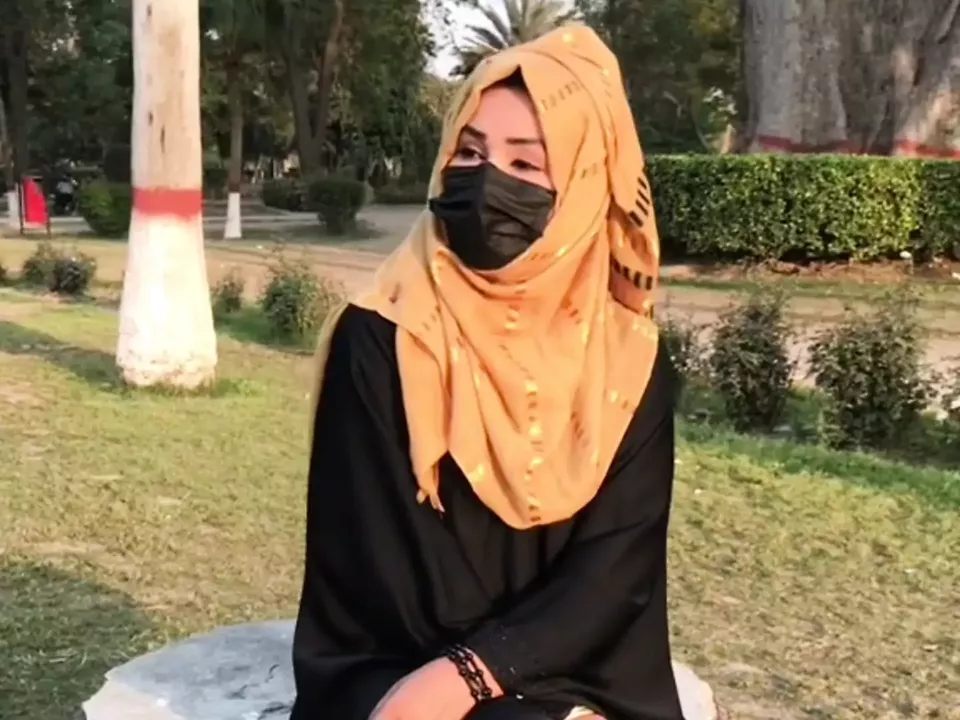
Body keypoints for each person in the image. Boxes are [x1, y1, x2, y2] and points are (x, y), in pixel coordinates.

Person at [291, 24, 683, 720]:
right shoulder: (382, 336)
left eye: (526, 164)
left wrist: (489, 670)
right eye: (469, 153)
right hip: (400, 662)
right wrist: (462, 681)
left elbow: (617, 569)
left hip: (578, 667)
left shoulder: (628, 358)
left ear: (583, 187)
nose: (487, 182)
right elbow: (378, 565)